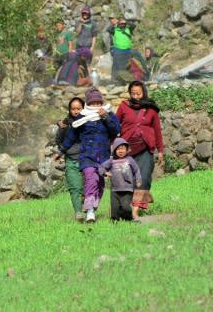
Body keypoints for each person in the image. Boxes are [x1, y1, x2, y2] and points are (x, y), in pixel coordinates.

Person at [59, 87, 120, 223]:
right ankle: (90, 212)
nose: (96, 106)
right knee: (90, 180)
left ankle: (93, 207)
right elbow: (71, 135)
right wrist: (62, 150)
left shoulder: (108, 114)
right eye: (93, 103)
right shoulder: (82, 117)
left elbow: (116, 130)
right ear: (88, 103)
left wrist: (105, 117)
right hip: (87, 157)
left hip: (103, 158)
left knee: (100, 184)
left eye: (98, 103)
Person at [115, 80, 164, 220]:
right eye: (133, 93)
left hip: (146, 149)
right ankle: (125, 207)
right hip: (127, 151)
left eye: (138, 93)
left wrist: (160, 150)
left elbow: (157, 131)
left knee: (143, 179)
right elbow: (114, 125)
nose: (136, 96)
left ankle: (135, 211)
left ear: (144, 93)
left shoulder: (151, 109)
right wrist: (112, 143)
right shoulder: (124, 106)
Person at [52, 96, 85, 221]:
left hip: (87, 160)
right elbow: (58, 139)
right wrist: (65, 151)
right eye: (73, 109)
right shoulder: (65, 124)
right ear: (69, 110)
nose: (76, 111)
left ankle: (88, 208)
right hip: (71, 160)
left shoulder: (89, 123)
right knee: (74, 187)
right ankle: (78, 212)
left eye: (79, 108)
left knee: (87, 188)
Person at [99, 137, 142, 222]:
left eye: (123, 148)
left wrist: (138, 179)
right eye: (118, 149)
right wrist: (105, 173)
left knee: (126, 207)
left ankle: (129, 219)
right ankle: (115, 222)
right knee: (115, 208)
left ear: (127, 149)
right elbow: (101, 167)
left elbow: (136, 169)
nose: (121, 151)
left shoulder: (130, 160)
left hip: (127, 189)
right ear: (114, 150)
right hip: (115, 190)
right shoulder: (111, 161)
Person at [110, 16, 136, 83]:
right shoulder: (115, 29)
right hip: (118, 50)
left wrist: (126, 21)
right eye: (120, 23)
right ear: (118, 23)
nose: (122, 24)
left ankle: (126, 80)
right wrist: (115, 23)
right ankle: (115, 80)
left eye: (123, 23)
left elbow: (134, 25)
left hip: (127, 50)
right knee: (117, 65)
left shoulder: (129, 29)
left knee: (127, 65)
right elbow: (108, 29)